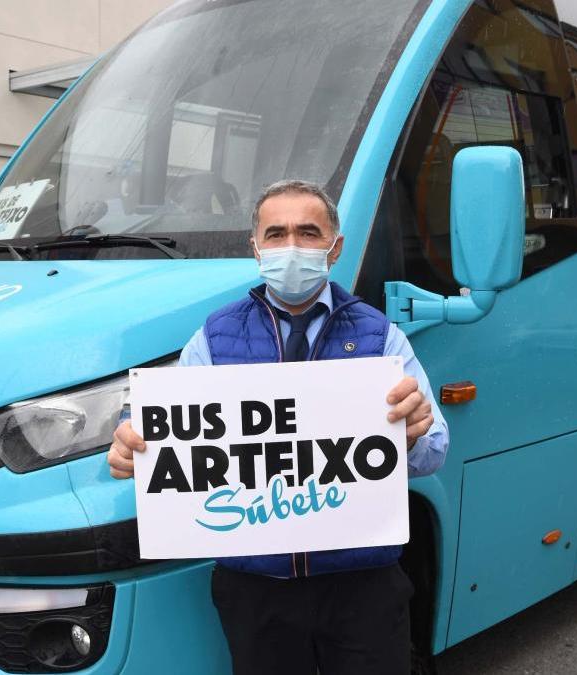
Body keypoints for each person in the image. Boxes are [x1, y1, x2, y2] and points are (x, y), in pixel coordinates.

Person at [107, 179, 449, 674]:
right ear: (256, 248)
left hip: (364, 586)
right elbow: (162, 425)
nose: (292, 247)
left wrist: (414, 432)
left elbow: (434, 449)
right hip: (255, 589)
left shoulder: (382, 338)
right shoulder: (212, 338)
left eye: (309, 233)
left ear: (335, 249)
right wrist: (131, 445)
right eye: (277, 233)